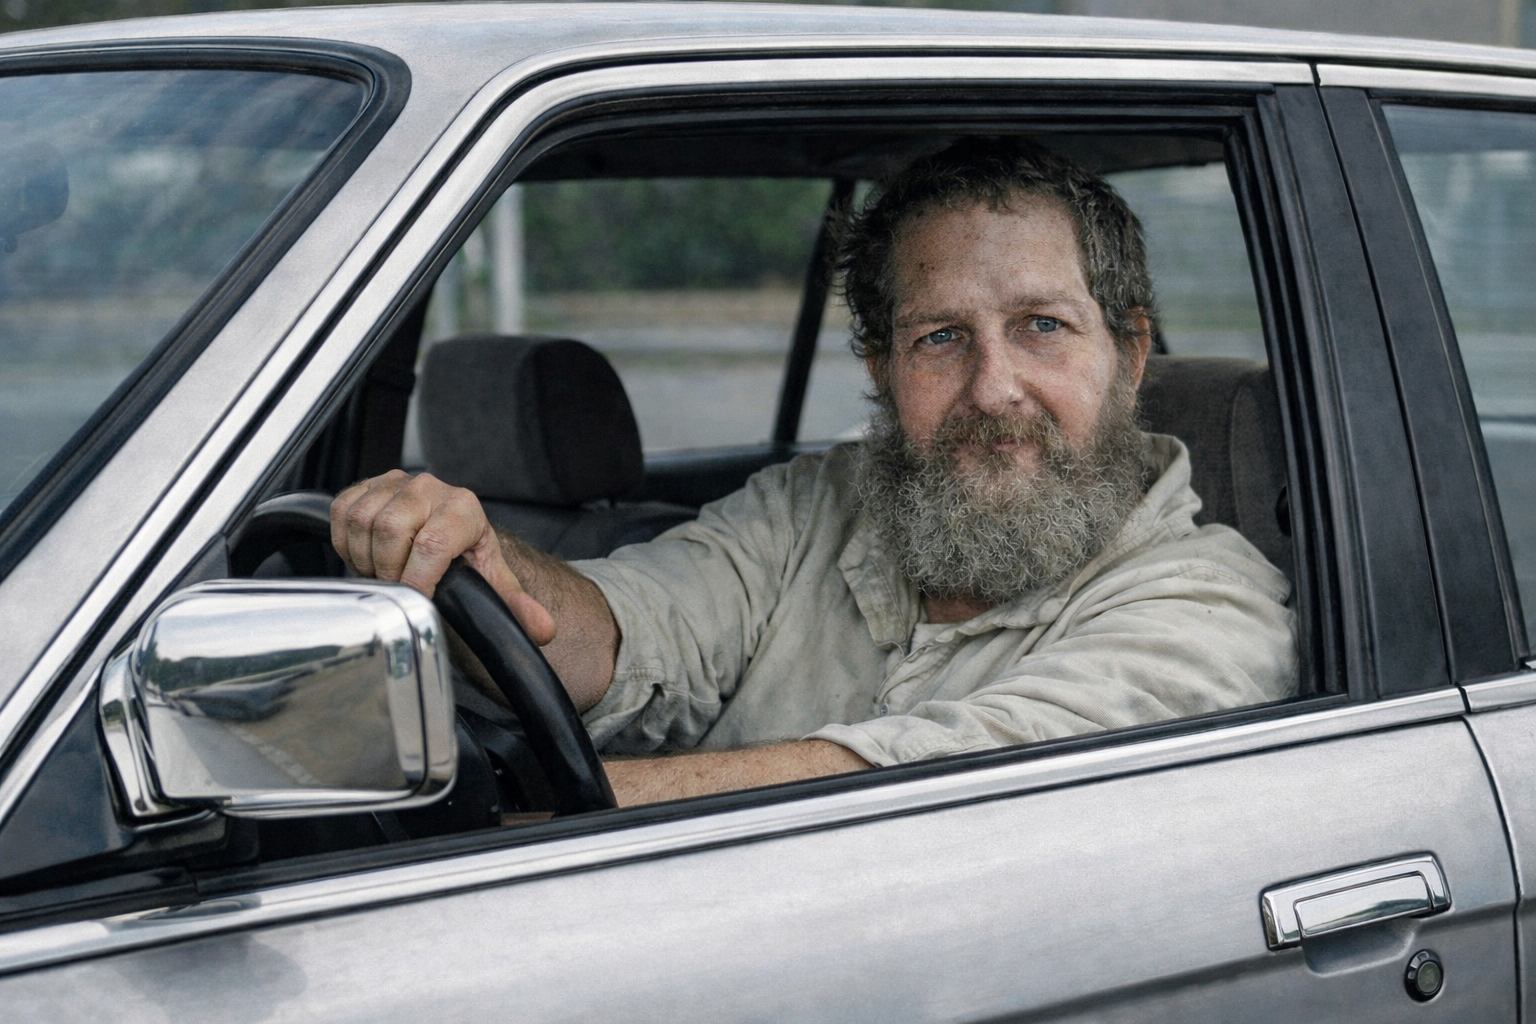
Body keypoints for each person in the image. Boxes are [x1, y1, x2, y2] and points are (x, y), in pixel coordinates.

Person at [331, 140, 1297, 807]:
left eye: (1042, 326)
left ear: (1129, 355)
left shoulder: (1212, 613)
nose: (994, 387)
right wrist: (487, 570)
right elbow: (632, 631)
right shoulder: (815, 505)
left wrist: (505, 818)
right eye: (940, 337)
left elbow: (931, 790)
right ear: (882, 367)